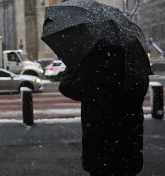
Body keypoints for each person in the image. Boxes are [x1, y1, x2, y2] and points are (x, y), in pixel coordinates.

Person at [59, 41, 149, 176]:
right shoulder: (134, 59)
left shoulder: (91, 59)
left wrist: (77, 63)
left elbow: (66, 86)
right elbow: (141, 87)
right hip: (129, 145)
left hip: (99, 146)